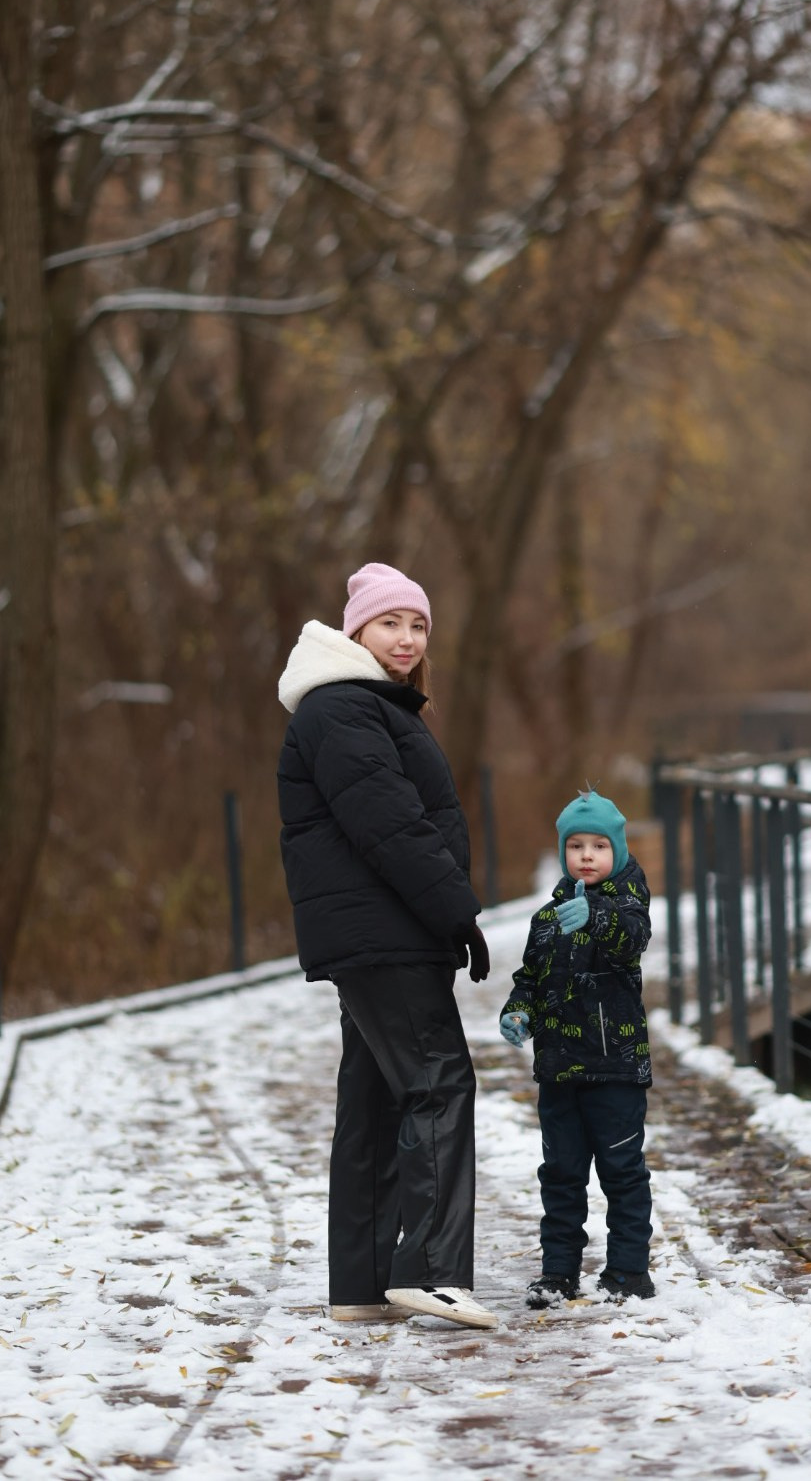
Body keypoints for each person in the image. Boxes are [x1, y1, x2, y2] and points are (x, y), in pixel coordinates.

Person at [277, 562, 497, 1330]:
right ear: (356, 631)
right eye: (389, 623)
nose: (406, 638)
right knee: (439, 1083)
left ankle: (362, 1287)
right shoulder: (344, 709)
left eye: (418, 625)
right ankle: (431, 1272)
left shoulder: (364, 707)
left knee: (373, 1102)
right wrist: (458, 914)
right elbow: (391, 826)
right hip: (387, 932)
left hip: (380, 933)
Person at [499, 789, 654, 1308]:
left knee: (621, 1171)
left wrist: (595, 919)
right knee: (561, 1174)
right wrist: (520, 1011)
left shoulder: (628, 907)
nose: (587, 856)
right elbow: (531, 978)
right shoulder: (548, 918)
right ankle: (558, 1272)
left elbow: (630, 939)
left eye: (599, 847)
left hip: (615, 1069)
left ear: (618, 852)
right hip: (559, 1070)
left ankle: (628, 1272)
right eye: (575, 847)